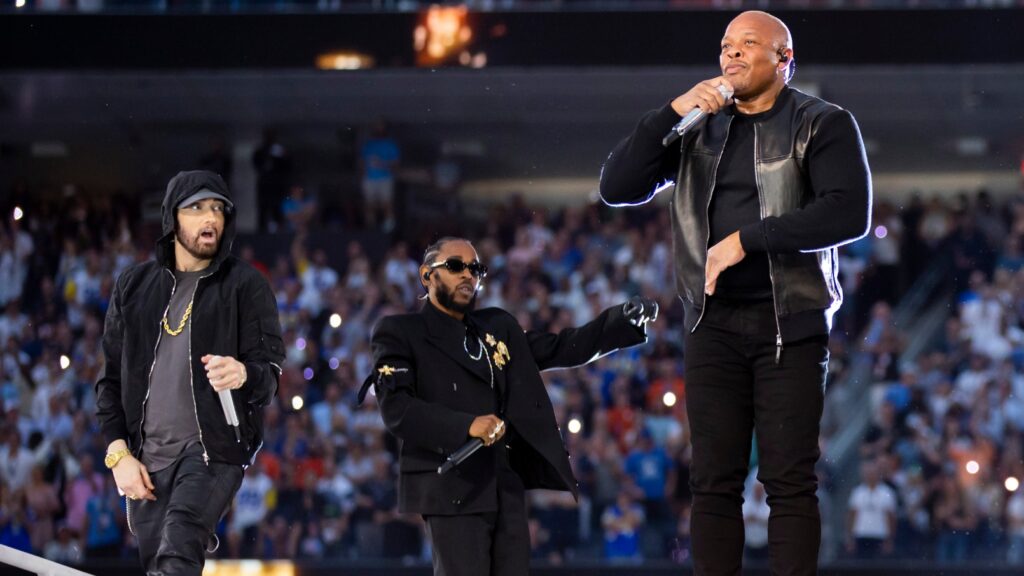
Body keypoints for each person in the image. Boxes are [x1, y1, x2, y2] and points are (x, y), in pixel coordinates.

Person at [599, 10, 871, 575]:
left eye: (750, 44)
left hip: (789, 321)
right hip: (711, 324)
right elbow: (617, 187)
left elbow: (849, 211)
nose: (733, 54)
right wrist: (671, 114)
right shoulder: (698, 126)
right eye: (725, 46)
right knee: (712, 481)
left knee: (789, 480)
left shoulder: (821, 122)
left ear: (784, 61)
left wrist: (746, 240)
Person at [358, 237, 657, 576]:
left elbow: (561, 348)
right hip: (451, 484)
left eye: (476, 269)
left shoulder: (496, 326)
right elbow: (398, 410)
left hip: (505, 482)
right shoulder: (400, 331)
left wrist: (621, 321)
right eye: (456, 266)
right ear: (427, 275)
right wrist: (467, 425)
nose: (468, 276)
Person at [95, 170, 285, 576]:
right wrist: (119, 455)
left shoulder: (246, 284)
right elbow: (109, 380)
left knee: (178, 551)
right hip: (146, 461)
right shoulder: (134, 284)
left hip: (213, 450)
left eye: (217, 208)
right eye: (197, 208)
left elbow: (269, 376)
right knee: (161, 564)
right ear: (172, 218)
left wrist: (244, 374)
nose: (210, 218)